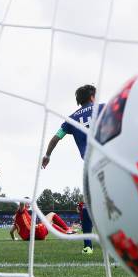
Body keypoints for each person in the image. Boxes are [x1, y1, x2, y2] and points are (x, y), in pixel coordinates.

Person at [41, 84, 104, 254]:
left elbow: (55, 138)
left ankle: (88, 246)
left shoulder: (71, 119)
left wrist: (47, 156)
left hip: (90, 163)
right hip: (110, 157)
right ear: (92, 97)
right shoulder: (103, 108)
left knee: (88, 203)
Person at [10, 199, 74, 241]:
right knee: (52, 215)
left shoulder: (16, 220)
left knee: (49, 223)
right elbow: (21, 204)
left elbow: (11, 232)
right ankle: (67, 231)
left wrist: (14, 238)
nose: (28, 205)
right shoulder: (21, 211)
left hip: (32, 237)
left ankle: (67, 232)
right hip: (38, 232)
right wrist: (23, 200)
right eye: (27, 204)